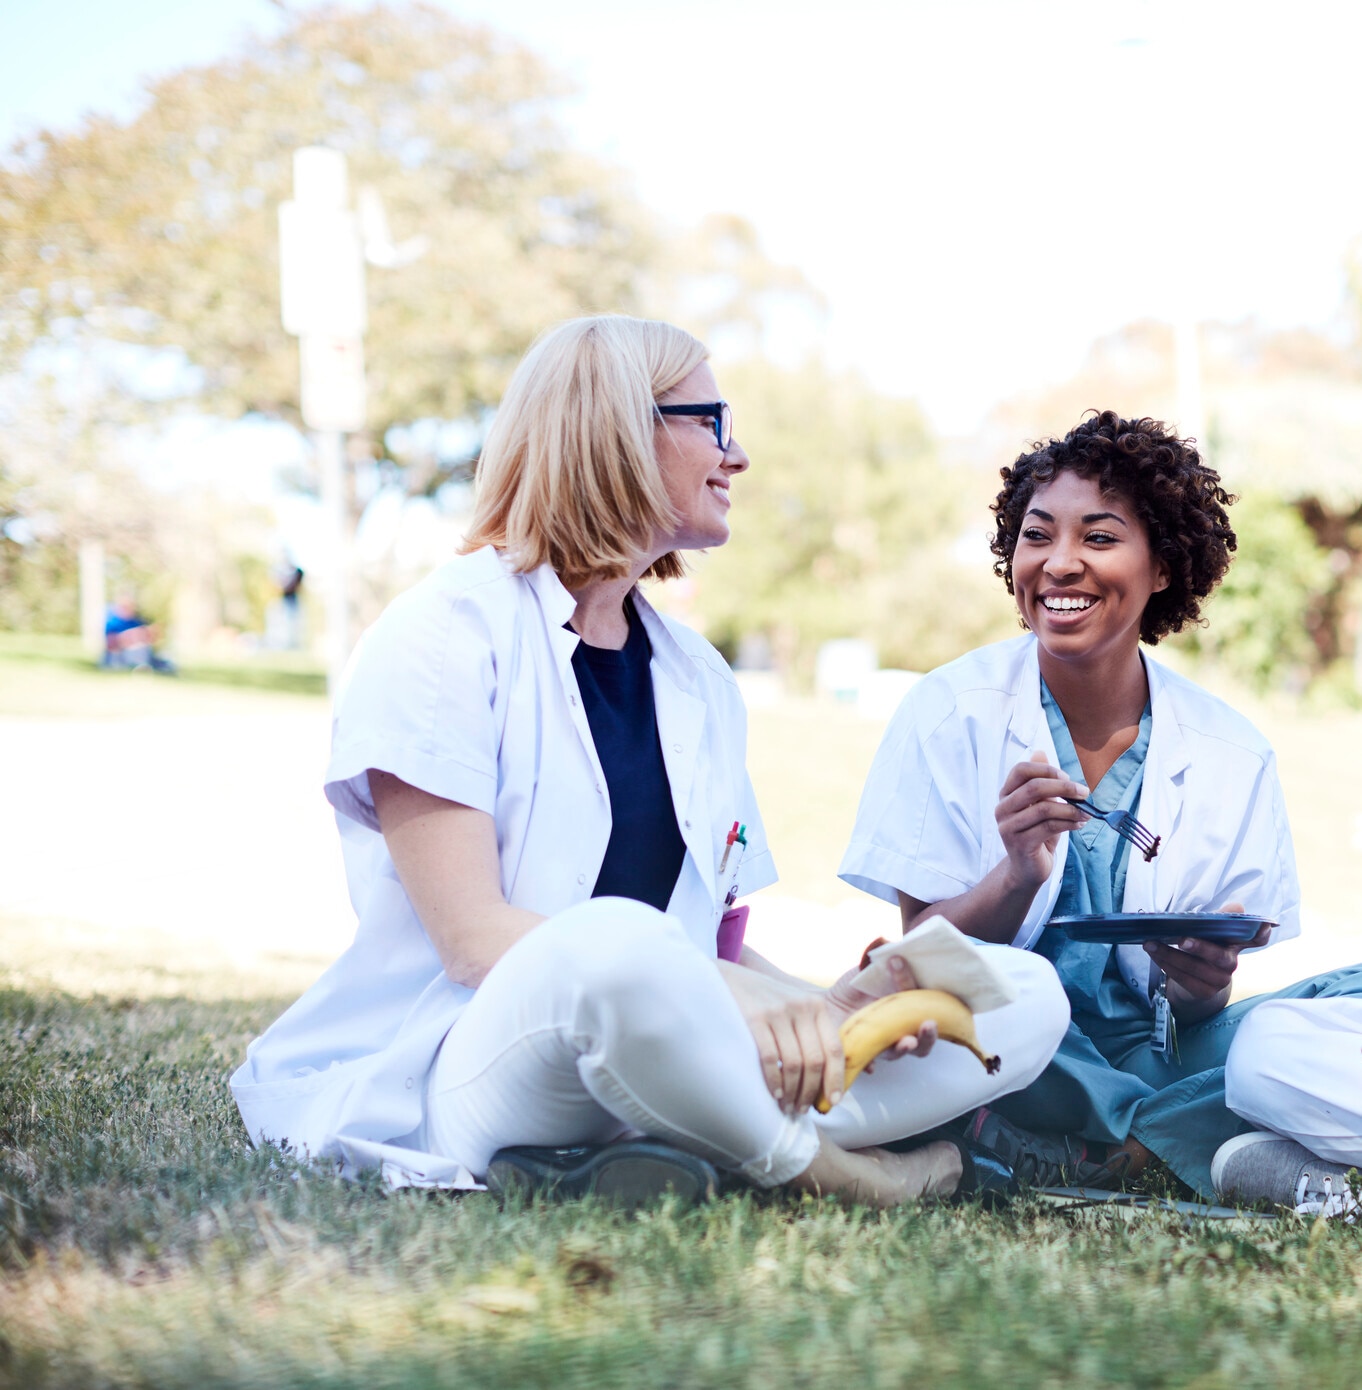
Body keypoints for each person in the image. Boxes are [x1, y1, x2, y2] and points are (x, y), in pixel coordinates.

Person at [230, 315, 1069, 1206]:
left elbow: (714, 946)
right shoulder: (442, 636)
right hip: (471, 1063)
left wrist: (830, 1009)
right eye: (712, 420)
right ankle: (835, 1173)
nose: (736, 454)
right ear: (617, 429)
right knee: (617, 937)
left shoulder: (699, 678)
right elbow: (476, 942)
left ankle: (685, 1133)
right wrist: (726, 994)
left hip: (664, 1038)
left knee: (1021, 993)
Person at [840, 410, 1362, 1210]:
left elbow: (1197, 1009)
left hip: (1169, 1057)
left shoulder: (1232, 751)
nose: (1059, 564)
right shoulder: (949, 711)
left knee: (1310, 1016)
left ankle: (1100, 1148)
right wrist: (1016, 873)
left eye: (1100, 538)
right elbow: (927, 953)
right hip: (1012, 1051)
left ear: (1162, 567)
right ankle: (1188, 1144)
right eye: (1038, 535)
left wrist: (1201, 983)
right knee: (1007, 1008)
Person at [103, 592, 176, 673]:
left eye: (131, 606)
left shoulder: (135, 622)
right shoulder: (112, 622)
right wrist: (131, 636)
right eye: (125, 607)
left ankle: (147, 666)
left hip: (137, 653)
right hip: (118, 654)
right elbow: (110, 644)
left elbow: (149, 638)